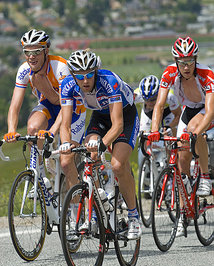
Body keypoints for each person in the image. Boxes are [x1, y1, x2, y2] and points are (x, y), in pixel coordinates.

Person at [60, 49, 142, 240]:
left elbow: (118, 124)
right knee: (91, 157)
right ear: (73, 76)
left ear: (95, 72)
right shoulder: (67, 85)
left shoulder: (108, 81)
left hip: (124, 117)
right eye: (80, 77)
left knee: (118, 165)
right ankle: (97, 208)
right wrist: (65, 143)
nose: (85, 80)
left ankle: (133, 216)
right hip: (99, 117)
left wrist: (103, 144)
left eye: (89, 75)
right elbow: (65, 124)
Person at [4, 29, 86, 189]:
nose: (31, 56)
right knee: (33, 128)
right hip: (49, 106)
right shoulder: (24, 70)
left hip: (72, 110)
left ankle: (76, 208)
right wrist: (12, 130)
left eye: (36, 51)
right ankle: (39, 177)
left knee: (66, 162)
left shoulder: (60, 67)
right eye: (27, 52)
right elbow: (15, 105)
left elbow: (65, 105)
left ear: (46, 50)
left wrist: (52, 131)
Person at [148, 36, 214, 236]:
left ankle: (204, 176)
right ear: (176, 61)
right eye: (182, 62)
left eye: (190, 61)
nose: (186, 67)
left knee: (194, 131)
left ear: (196, 59)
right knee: (181, 162)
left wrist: (196, 133)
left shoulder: (207, 74)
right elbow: (159, 105)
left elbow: (210, 111)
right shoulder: (169, 73)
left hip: (206, 111)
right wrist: (153, 131)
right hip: (188, 110)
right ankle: (184, 213)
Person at [135, 75, 181, 166]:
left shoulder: (170, 95)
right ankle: (147, 165)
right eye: (146, 100)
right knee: (143, 137)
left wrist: (169, 127)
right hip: (148, 113)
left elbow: (178, 115)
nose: (149, 103)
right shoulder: (136, 95)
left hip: (167, 113)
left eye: (152, 99)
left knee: (170, 139)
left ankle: (172, 167)